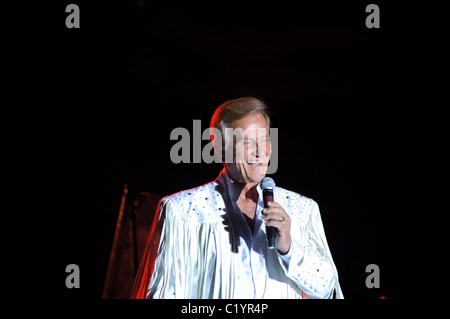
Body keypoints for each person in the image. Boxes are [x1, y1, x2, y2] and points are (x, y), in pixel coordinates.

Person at [131, 97, 343, 299]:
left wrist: (288, 247)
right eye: (248, 142)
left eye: (265, 139)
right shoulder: (184, 212)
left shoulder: (301, 210)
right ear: (220, 149)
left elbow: (327, 288)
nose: (260, 152)